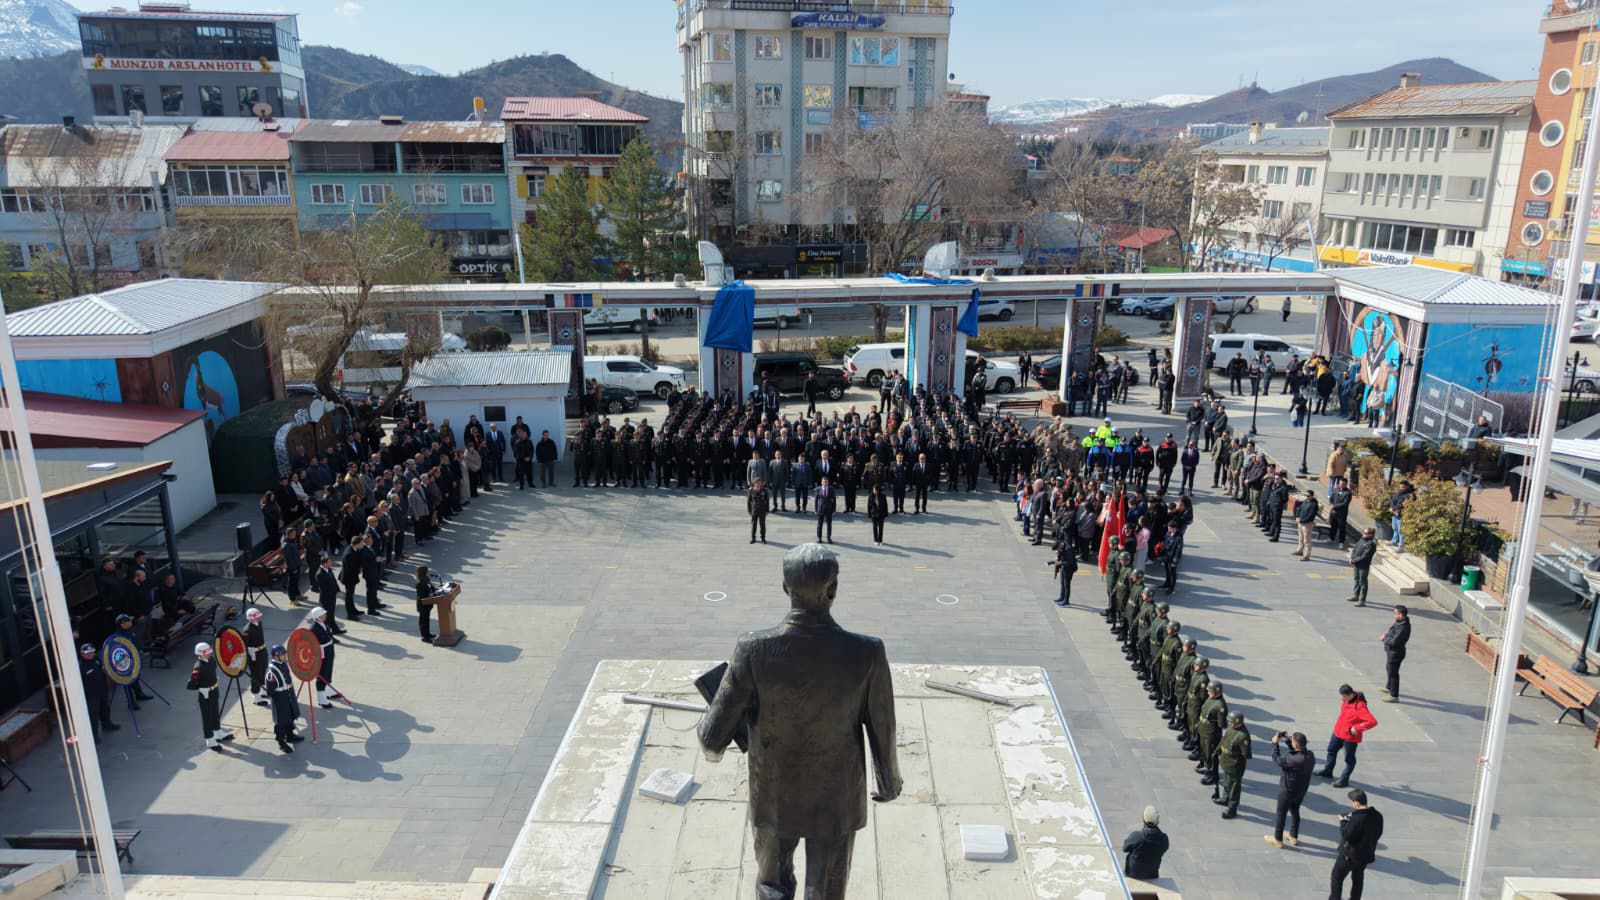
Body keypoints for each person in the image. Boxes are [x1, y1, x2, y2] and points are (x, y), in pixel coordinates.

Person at [697, 544, 901, 900]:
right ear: (832, 589)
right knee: (826, 892)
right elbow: (883, 728)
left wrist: (722, 703)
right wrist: (888, 782)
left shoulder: (752, 650)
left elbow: (711, 741)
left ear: (785, 588)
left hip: (773, 795)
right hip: (838, 798)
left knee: (772, 886)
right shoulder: (868, 652)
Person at [1318, 684, 1377, 788]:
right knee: (1331, 750)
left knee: (1349, 759)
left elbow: (1372, 722)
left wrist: (1356, 728)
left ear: (1351, 695)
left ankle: (1344, 780)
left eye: (1344, 696)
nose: (1343, 698)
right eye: (1342, 696)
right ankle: (1328, 770)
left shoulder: (1360, 706)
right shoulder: (1346, 700)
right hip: (1338, 732)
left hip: (1350, 737)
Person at [1330, 789, 1384, 900]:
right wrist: (1353, 817)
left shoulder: (1358, 819)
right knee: (1358, 879)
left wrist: (1343, 822)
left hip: (1350, 855)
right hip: (1365, 855)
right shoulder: (1378, 815)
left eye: (1352, 802)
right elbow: (1378, 832)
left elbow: (1347, 835)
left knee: (1337, 877)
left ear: (1357, 803)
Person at [1266, 731, 1315, 848]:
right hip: (1300, 790)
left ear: (1296, 744)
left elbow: (1277, 759)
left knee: (1281, 814)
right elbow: (1297, 751)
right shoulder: (1310, 755)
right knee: (1295, 811)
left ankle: (1278, 839)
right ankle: (1293, 836)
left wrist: (1274, 744)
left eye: (1292, 741)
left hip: (1287, 791)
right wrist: (1288, 741)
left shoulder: (1293, 760)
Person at [185, 642, 233, 752]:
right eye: (206, 653)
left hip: (214, 691)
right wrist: (201, 688)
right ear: (201, 654)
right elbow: (191, 684)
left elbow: (213, 670)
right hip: (205, 694)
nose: (209, 654)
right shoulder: (198, 667)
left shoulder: (211, 660)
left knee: (215, 713)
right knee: (207, 717)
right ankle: (210, 740)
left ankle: (217, 732)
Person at [264, 643, 303, 754]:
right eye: (283, 655)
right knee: (281, 721)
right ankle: (281, 742)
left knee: (290, 715)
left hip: (288, 694)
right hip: (280, 698)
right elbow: (270, 691)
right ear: (276, 656)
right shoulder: (271, 672)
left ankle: (290, 735)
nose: (285, 656)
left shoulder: (283, 664)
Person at [1216, 710, 1252, 819]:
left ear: (1238, 722)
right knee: (1227, 782)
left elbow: (1246, 754)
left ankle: (1232, 808)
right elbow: (1224, 740)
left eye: (1232, 722)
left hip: (1235, 765)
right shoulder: (1231, 728)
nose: (1230, 723)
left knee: (1234, 788)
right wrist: (1218, 751)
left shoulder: (1243, 736)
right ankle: (1225, 798)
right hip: (1226, 761)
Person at [78, 643, 118, 740]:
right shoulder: (81, 666)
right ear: (82, 654)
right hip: (91, 694)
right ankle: (94, 736)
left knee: (105, 708)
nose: (89, 654)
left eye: (91, 652)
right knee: (93, 715)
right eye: (87, 653)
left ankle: (107, 724)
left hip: (102, 690)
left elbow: (102, 670)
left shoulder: (96, 660)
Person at [1121, 806, 1169, 880]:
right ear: (1158, 822)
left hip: (1133, 874)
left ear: (1143, 819)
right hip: (1152, 875)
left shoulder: (1137, 836)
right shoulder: (1164, 839)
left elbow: (1125, 848)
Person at [306, 607, 336, 709]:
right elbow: (311, 644)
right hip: (321, 653)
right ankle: (321, 698)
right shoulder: (313, 629)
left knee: (328, 671)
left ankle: (328, 690)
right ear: (317, 617)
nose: (325, 615)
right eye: (323, 615)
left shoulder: (323, 623)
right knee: (322, 673)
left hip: (328, 650)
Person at [1381, 605, 1411, 702]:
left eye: (1395, 613)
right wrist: (1387, 636)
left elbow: (1394, 642)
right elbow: (1391, 632)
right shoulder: (1399, 622)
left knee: (1393, 673)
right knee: (1389, 669)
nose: (1394, 615)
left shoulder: (1403, 627)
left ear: (1400, 615)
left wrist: (1385, 638)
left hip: (1396, 652)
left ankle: (1394, 695)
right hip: (1391, 651)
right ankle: (1389, 687)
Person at [1348, 527, 1378, 607]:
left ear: (1371, 535)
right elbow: (1355, 549)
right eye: (1364, 532)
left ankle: (1362, 600)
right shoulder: (1361, 540)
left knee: (1363, 582)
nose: (1364, 534)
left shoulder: (1371, 544)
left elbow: (1365, 556)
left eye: (1366, 533)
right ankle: (1356, 595)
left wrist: (1354, 560)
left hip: (1364, 565)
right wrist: (1352, 558)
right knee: (1356, 580)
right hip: (1357, 564)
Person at [244, 607, 268, 705]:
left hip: (262, 651)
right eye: (257, 616)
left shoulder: (259, 623)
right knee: (255, 674)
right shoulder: (247, 629)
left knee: (263, 669)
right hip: (254, 654)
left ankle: (263, 690)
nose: (259, 617)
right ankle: (256, 697)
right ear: (251, 618)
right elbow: (244, 644)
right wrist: (251, 652)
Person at [415, 565, 440, 643]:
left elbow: (431, 588)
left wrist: (437, 589)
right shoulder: (420, 583)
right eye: (427, 571)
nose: (429, 572)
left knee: (427, 620)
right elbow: (422, 595)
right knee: (423, 621)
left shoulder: (427, 580)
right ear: (424, 572)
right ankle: (424, 637)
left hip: (428, 604)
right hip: (423, 604)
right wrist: (432, 594)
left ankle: (428, 634)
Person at [1294, 489, 1320, 561]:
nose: (1306, 497)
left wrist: (1302, 520)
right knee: (1301, 538)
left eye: (1308, 496)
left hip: (1307, 524)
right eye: (1305, 495)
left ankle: (1307, 555)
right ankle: (1300, 550)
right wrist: (1297, 517)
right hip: (1300, 522)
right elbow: (1299, 509)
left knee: (1307, 540)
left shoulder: (1314, 505)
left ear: (1312, 496)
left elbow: (1311, 515)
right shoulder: (1305, 501)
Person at [1051, 537, 1078, 607]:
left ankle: (1066, 601)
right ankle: (1061, 597)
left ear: (1060, 545)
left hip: (1069, 568)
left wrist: (1060, 563)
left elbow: (1070, 562)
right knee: (1062, 583)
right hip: (1063, 567)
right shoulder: (1061, 548)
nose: (1058, 551)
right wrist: (1057, 560)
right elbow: (1060, 556)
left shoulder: (1068, 549)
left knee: (1067, 584)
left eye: (1058, 549)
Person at [1328, 480, 1353, 549]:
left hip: (1341, 513)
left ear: (1346, 484)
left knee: (1341, 528)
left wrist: (1334, 506)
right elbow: (1331, 498)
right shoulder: (1336, 489)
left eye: (1342, 484)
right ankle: (1331, 538)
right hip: (1333, 512)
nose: (1341, 485)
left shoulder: (1348, 493)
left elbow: (1345, 503)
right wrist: (1331, 504)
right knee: (1333, 525)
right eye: (1340, 483)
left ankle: (1341, 542)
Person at [748, 478, 771, 544]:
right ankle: (753, 538)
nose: (758, 484)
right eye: (757, 483)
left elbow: (767, 501)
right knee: (753, 525)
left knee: (762, 525)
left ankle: (763, 538)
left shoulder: (764, 490)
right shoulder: (751, 490)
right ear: (754, 483)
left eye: (759, 483)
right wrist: (749, 511)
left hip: (762, 510)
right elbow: (749, 501)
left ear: (761, 483)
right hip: (754, 510)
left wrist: (767, 511)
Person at [814, 476, 836, 543]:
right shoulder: (818, 489)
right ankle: (819, 538)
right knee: (819, 524)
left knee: (829, 524)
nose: (825, 483)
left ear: (828, 482)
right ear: (821, 482)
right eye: (823, 482)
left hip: (829, 509)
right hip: (820, 509)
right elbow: (816, 500)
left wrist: (834, 510)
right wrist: (815, 509)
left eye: (826, 482)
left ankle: (829, 537)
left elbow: (834, 500)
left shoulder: (831, 489)